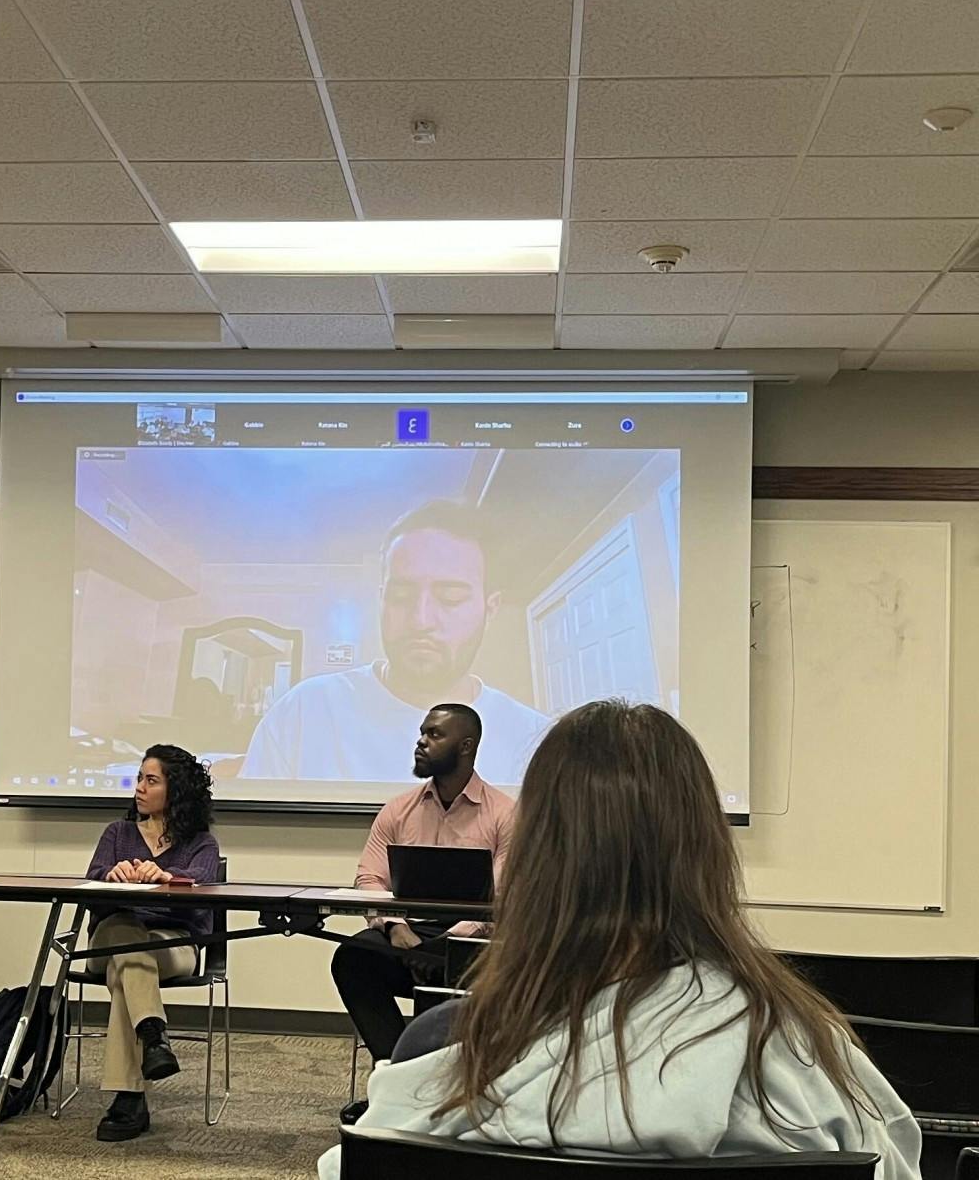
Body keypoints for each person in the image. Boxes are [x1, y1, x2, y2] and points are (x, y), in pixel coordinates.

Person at [320, 701, 921, 1180]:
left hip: (462, 947)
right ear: (706, 852)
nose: (421, 741)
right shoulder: (814, 1060)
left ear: (541, 858)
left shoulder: (440, 1053)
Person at [243, 500, 550, 786]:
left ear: (490, 607)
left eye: (450, 598)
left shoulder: (535, 740)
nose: (421, 620)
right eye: (401, 596)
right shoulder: (304, 712)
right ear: (381, 598)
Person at [332, 704, 511, 1083]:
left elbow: (503, 895)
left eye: (434, 734)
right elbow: (369, 878)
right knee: (353, 958)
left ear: (466, 746)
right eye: (422, 732)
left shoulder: (504, 814)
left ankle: (453, 1081)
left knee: (476, 968)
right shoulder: (399, 809)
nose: (421, 741)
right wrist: (396, 927)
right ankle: (399, 1073)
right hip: (407, 937)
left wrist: (449, 942)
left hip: (472, 942)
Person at [81, 744, 223, 1142]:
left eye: (151, 780)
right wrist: (111, 875)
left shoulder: (201, 843)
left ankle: (129, 1100)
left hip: (172, 943)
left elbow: (200, 888)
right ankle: (154, 1037)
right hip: (109, 938)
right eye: (139, 778)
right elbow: (88, 886)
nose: (139, 787)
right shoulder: (117, 833)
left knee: (128, 966)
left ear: (174, 790)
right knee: (126, 938)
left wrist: (164, 875)